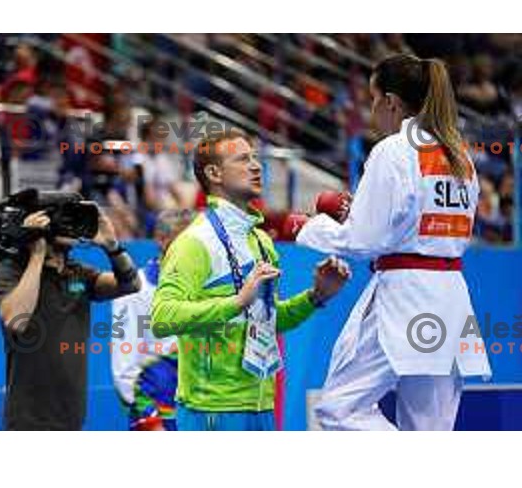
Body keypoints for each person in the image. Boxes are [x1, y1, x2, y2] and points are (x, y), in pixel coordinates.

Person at [297, 54, 492, 431]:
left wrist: (308, 228)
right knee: (431, 428)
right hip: (450, 295)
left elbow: (363, 239)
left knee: (338, 408)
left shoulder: (393, 150)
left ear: (390, 102)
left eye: (372, 100)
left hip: (406, 294)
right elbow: (421, 225)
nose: (371, 110)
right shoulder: (459, 154)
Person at [151, 126, 350, 431]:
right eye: (243, 160)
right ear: (214, 173)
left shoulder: (261, 241)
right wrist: (236, 301)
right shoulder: (194, 242)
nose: (256, 166)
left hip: (261, 406)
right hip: (211, 411)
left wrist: (316, 297)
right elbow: (163, 317)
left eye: (255, 158)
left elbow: (268, 321)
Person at [0, 200, 141, 430]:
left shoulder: (79, 273)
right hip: (28, 419)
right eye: (63, 218)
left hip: (72, 416)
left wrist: (112, 246)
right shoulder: (12, 270)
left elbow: (131, 284)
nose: (71, 225)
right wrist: (37, 253)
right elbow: (15, 320)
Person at [111, 210, 194, 430]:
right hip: (158, 417)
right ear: (161, 240)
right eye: (186, 240)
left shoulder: (202, 287)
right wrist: (151, 423)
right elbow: (124, 369)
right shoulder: (133, 289)